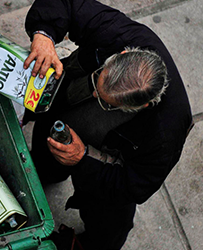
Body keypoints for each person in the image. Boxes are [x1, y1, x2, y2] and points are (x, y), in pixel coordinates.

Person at [23, 0, 193, 249]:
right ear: (122, 54)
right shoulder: (122, 34)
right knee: (43, 160)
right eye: (98, 80)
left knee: (108, 224)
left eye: (106, 103)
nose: (93, 97)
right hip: (60, 115)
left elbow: (134, 185)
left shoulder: (166, 132)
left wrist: (82, 160)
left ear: (143, 106)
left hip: (103, 160)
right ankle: (44, 173)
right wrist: (44, 35)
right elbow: (66, 4)